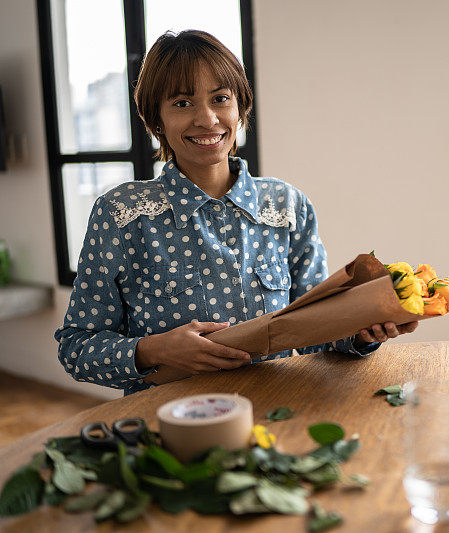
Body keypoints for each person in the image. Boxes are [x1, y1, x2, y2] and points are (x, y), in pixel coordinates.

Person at [55, 30, 418, 395]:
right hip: (167, 424)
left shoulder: (287, 206)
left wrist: (363, 331)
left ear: (240, 107)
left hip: (277, 416)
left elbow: (315, 336)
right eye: (182, 103)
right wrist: (155, 349)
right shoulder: (121, 215)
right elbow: (76, 349)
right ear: (156, 120)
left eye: (220, 99)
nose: (207, 119)